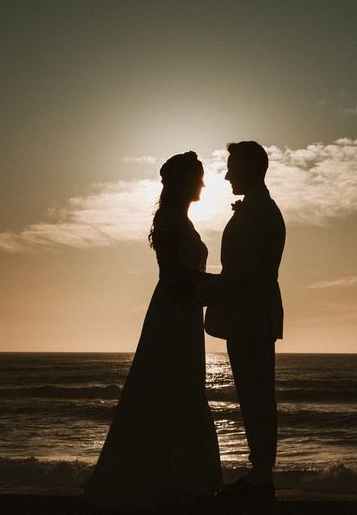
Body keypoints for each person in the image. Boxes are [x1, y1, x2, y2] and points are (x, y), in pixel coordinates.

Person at [84, 151, 222, 511]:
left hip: (183, 311)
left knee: (181, 388)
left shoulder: (180, 220)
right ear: (182, 183)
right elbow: (176, 278)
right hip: (174, 313)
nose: (203, 184)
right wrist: (222, 287)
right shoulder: (170, 221)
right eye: (197, 177)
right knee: (168, 387)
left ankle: (179, 476)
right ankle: (169, 479)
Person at [198, 140, 285, 502]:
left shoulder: (259, 212)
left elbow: (242, 274)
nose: (227, 173)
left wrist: (199, 288)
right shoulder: (256, 208)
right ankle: (259, 473)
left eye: (233, 166)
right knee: (254, 396)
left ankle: (262, 476)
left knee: (256, 397)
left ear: (250, 169)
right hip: (249, 315)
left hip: (251, 316)